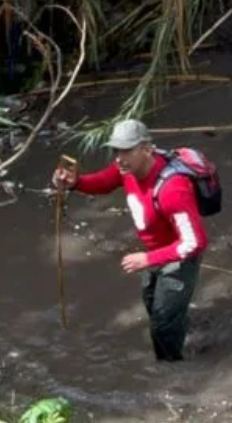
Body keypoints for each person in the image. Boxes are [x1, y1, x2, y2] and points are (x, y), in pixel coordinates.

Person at [51, 119, 207, 361]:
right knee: (151, 302)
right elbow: (104, 182)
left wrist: (147, 258)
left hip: (179, 256)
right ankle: (180, 322)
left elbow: (194, 242)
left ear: (147, 149)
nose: (119, 158)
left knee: (162, 325)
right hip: (154, 253)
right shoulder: (126, 170)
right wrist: (76, 183)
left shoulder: (173, 189)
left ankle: (172, 371)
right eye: (116, 150)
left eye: (127, 151)